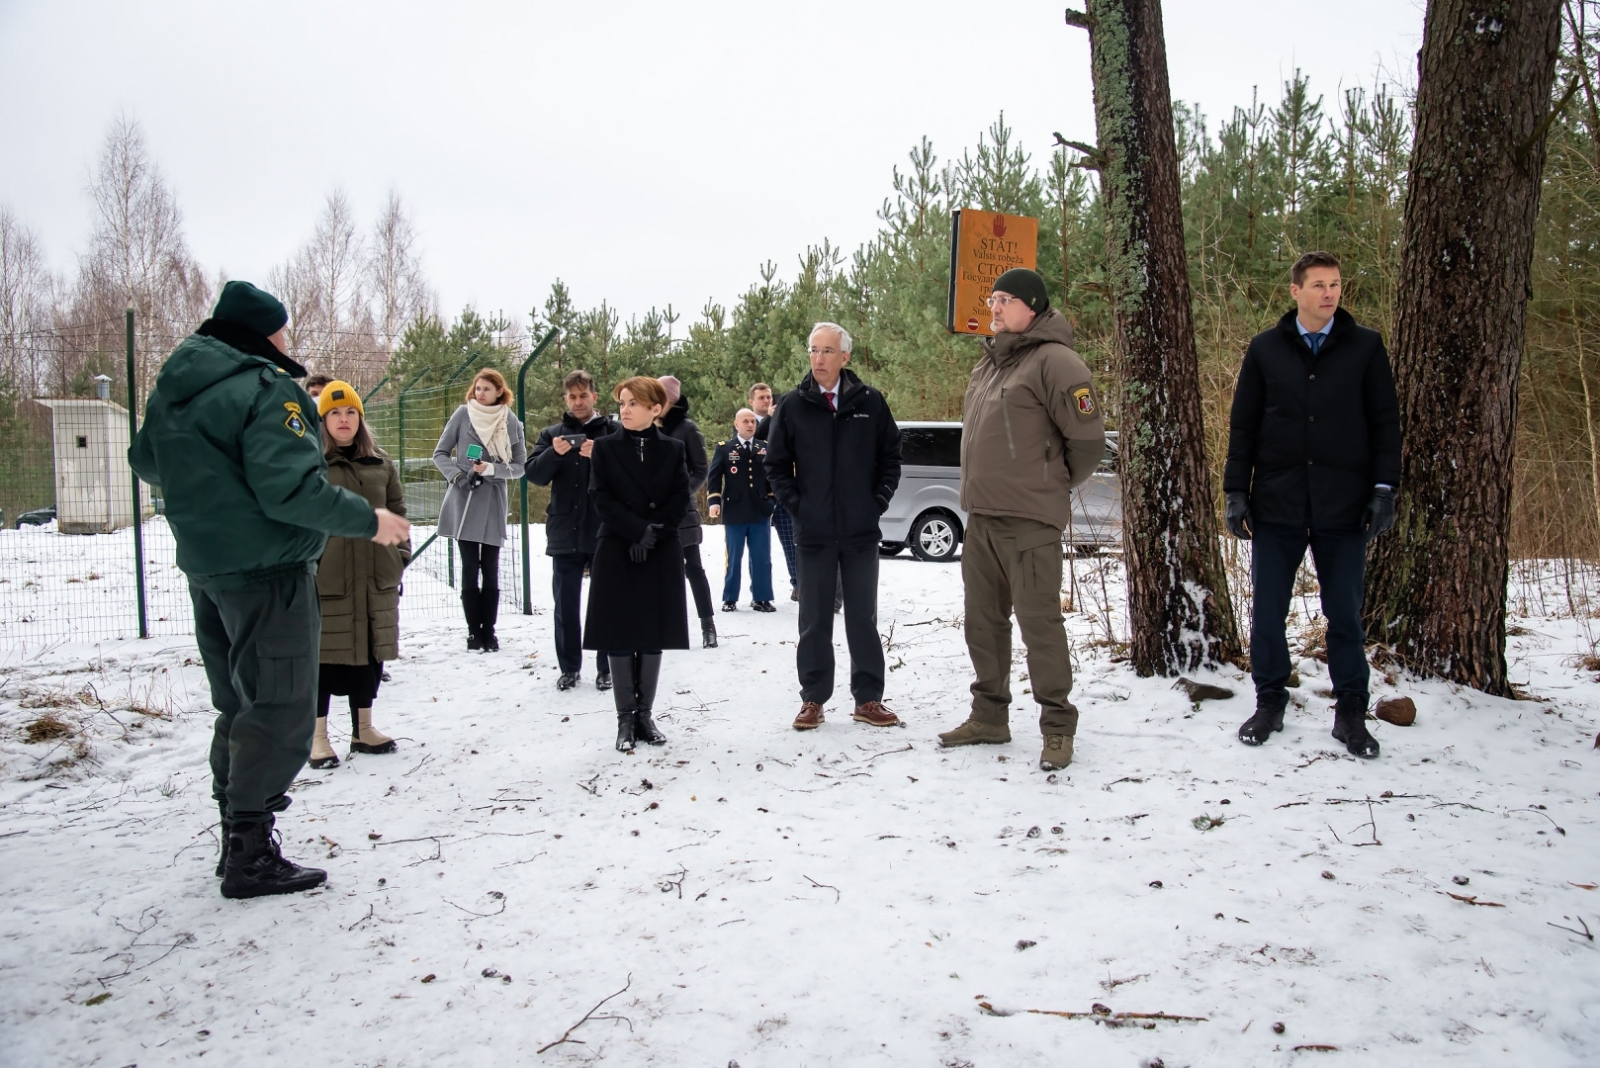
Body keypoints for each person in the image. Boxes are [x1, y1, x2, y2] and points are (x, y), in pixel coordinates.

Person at [128, 281, 410, 899]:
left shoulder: (178, 389)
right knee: (280, 706)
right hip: (268, 568)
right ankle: (251, 850)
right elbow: (291, 491)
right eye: (282, 329)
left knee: (237, 703)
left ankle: (235, 833)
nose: (288, 341)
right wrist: (372, 520)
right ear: (264, 333)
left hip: (208, 566)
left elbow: (147, 462)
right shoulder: (264, 388)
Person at [1224, 250, 1400, 759]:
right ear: (1295, 291)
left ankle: (1350, 713)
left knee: (1344, 614)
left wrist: (1384, 488)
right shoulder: (1264, 350)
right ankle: (1269, 701)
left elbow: (1385, 423)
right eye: (1319, 285)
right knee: (1269, 611)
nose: (1329, 294)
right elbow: (1244, 427)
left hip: (1344, 507)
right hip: (1276, 504)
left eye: (1336, 284)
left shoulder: (1365, 347)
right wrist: (1236, 492)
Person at [935, 268, 1105, 772]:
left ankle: (1057, 726)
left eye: (1003, 300)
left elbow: (1089, 442)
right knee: (983, 625)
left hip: (1029, 522)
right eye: (992, 299)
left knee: (1040, 627)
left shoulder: (1058, 361)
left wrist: (1051, 481)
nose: (993, 308)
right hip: (982, 519)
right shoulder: (988, 365)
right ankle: (989, 716)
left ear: (1030, 305)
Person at [764, 322, 902, 731]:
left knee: (863, 618)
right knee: (814, 619)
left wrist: (874, 503)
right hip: (815, 533)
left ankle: (868, 699)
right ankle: (813, 699)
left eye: (827, 351)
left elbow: (891, 458)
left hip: (860, 533)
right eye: (813, 350)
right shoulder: (792, 405)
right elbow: (775, 467)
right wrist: (799, 508)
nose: (819, 358)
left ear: (844, 357)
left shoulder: (870, 403)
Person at [582, 376, 691, 752]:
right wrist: (635, 531)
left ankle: (645, 714)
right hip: (618, 547)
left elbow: (680, 496)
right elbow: (601, 497)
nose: (624, 410)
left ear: (655, 409)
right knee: (619, 630)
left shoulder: (674, 448)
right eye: (622, 403)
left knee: (652, 630)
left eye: (632, 403)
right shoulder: (606, 449)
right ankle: (624, 719)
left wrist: (654, 534)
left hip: (659, 548)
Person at [309, 381, 412, 770]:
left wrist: (398, 556)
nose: (343, 419)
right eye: (334, 413)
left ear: (360, 418)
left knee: (370, 654)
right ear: (323, 420)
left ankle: (363, 729)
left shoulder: (381, 464)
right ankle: (318, 736)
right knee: (323, 658)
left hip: (376, 578)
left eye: (350, 412)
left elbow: (398, 509)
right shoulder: (313, 463)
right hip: (329, 579)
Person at [528, 370, 619, 688]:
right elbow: (534, 476)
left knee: (606, 603)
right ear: (565, 399)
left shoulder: (613, 431)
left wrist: (602, 454)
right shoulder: (552, 434)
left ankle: (607, 668)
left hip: (604, 530)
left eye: (584, 396)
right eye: (572, 397)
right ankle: (569, 667)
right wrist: (555, 452)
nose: (578, 402)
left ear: (595, 396)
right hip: (565, 530)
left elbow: (631, 473)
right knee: (566, 605)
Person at [433, 369, 527, 652]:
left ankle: (491, 631)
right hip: (464, 500)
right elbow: (440, 454)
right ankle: (474, 632)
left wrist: (493, 470)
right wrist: (459, 477)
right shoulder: (463, 415)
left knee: (491, 568)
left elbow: (520, 466)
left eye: (487, 388)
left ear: (500, 391)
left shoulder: (511, 422)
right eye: (478, 388)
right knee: (470, 567)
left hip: (492, 503)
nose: (481, 393)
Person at [657, 375, 719, 648]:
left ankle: (708, 625)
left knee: (692, 567)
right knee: (658, 571)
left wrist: (682, 493)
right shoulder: (645, 427)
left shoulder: (687, 428)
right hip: (652, 512)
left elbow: (701, 469)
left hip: (682, 512)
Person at [708, 407, 776, 613]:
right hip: (735, 511)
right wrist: (714, 502)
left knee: (762, 558)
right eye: (745, 421)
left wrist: (771, 501)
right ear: (736, 424)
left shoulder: (764, 447)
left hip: (759, 511)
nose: (750, 425)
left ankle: (761, 598)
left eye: (753, 422)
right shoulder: (725, 448)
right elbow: (714, 477)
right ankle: (730, 598)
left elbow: (771, 477)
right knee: (733, 558)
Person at [752, 381, 799, 600]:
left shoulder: (782, 421)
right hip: (756, 493)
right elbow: (753, 443)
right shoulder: (746, 420)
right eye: (761, 397)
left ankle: (799, 584)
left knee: (791, 540)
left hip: (780, 489)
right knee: (758, 548)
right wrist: (770, 418)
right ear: (751, 401)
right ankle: (760, 593)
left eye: (769, 396)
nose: (767, 400)